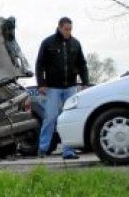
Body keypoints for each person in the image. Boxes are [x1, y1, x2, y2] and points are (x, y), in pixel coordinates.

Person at [35, 17, 89, 159]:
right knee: (50, 117)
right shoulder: (48, 43)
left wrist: (85, 83)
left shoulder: (76, 44)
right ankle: (43, 148)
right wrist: (41, 84)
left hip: (70, 87)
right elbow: (39, 64)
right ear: (59, 28)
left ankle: (68, 150)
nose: (68, 32)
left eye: (70, 29)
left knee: (69, 118)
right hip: (52, 87)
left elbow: (82, 65)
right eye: (66, 29)